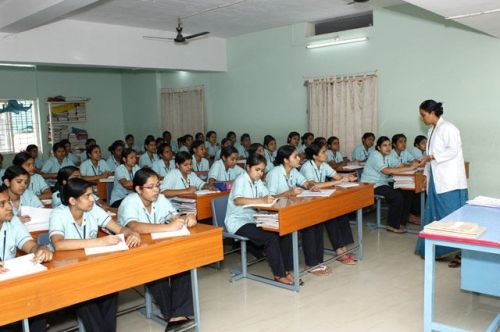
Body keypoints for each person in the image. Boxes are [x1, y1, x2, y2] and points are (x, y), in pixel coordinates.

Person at [49, 178, 140, 332]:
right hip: (67, 268)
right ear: (72, 200)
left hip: (90, 263)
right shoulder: (58, 214)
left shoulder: (93, 209)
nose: (93, 199)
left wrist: (132, 233)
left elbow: (118, 229)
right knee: (85, 295)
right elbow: (59, 244)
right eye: (87, 196)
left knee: (111, 288)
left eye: (92, 194)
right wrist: (99, 242)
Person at [118, 169, 195, 329]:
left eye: (158, 186)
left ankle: (178, 314)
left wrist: (187, 217)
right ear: (138, 189)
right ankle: (173, 315)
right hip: (134, 251)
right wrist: (168, 228)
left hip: (157, 246)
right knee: (155, 270)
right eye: (151, 187)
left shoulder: (159, 199)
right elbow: (134, 226)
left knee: (184, 263)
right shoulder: (130, 202)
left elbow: (174, 216)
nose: (156, 190)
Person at [225, 153, 294, 285]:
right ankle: (279, 274)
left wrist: (284, 194)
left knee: (284, 230)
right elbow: (238, 199)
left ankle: (284, 269)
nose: (260, 173)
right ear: (248, 167)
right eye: (257, 170)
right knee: (271, 237)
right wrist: (261, 200)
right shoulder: (241, 180)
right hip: (238, 222)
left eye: (262, 170)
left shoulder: (257, 182)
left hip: (253, 219)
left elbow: (268, 196)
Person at [415, 100, 468, 264]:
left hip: (450, 181)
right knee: (436, 216)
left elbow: (453, 150)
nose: (422, 118)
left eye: (423, 115)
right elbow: (429, 157)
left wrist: (431, 157)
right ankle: (436, 249)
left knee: (452, 216)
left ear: (432, 113)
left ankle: (462, 252)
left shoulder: (449, 129)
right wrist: (425, 176)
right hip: (436, 180)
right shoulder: (431, 131)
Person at [0, 185, 52, 332]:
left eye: (8, 202)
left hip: (10, 280)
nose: (9, 207)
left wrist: (39, 249)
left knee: (37, 300)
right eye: (2, 204)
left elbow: (27, 243)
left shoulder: (13, 221)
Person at [300, 143, 358, 266]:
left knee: (341, 214)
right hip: (308, 202)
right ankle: (339, 251)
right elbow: (313, 185)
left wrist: (347, 178)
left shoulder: (324, 165)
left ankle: (343, 247)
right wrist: (338, 181)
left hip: (321, 199)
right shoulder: (307, 167)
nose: (326, 154)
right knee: (330, 217)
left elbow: (337, 176)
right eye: (323, 152)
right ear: (315, 156)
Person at [360, 136, 417, 233]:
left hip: (383, 183)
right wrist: (409, 168)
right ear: (378, 147)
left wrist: (413, 165)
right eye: (384, 145)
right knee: (397, 196)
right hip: (371, 185)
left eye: (389, 145)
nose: (388, 148)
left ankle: (401, 222)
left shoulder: (387, 156)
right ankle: (392, 225)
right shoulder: (375, 155)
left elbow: (399, 165)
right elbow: (386, 171)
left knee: (407, 192)